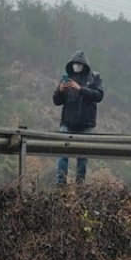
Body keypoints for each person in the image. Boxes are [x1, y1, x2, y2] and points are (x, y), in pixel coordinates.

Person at [52, 50, 105, 185]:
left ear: (84, 65)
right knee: (63, 155)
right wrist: (60, 91)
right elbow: (57, 101)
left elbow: (98, 96)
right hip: (67, 122)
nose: (77, 66)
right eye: (75, 63)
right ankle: (61, 185)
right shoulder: (67, 78)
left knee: (82, 157)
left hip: (86, 124)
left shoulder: (94, 77)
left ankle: (79, 186)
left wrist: (80, 89)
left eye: (79, 63)